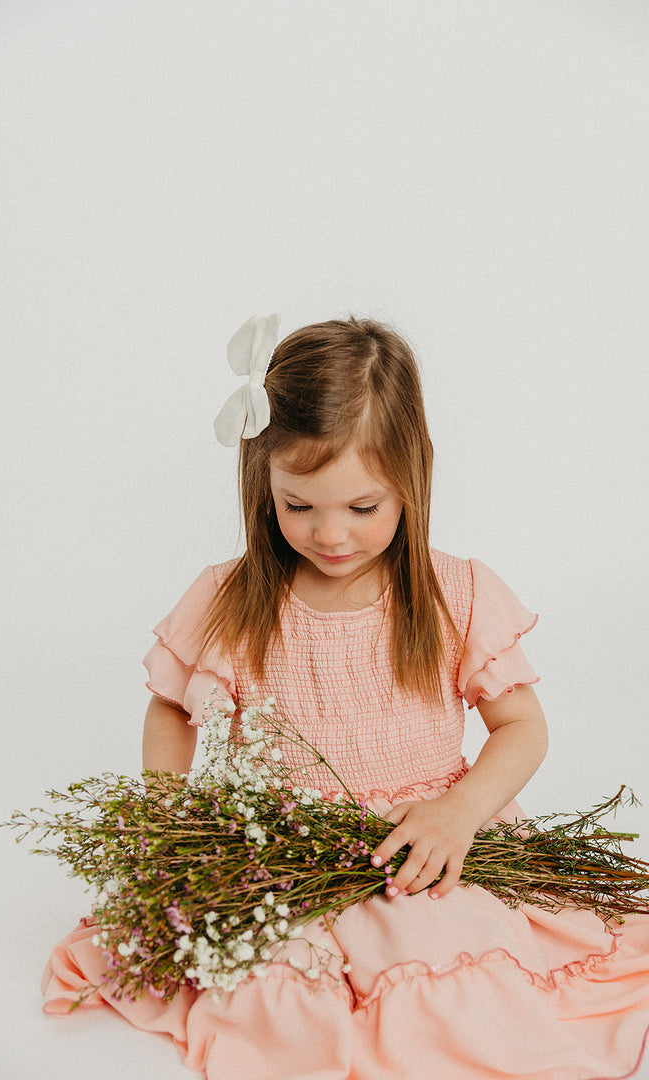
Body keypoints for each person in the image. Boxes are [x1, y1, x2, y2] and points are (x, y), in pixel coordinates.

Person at [43, 315, 649, 1080]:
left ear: (414, 476)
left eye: (363, 507)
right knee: (274, 993)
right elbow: (169, 707)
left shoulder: (451, 592)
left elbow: (521, 725)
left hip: (420, 840)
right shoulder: (231, 599)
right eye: (299, 505)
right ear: (263, 481)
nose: (330, 535)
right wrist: (170, 823)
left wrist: (458, 814)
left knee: (450, 980)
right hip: (287, 846)